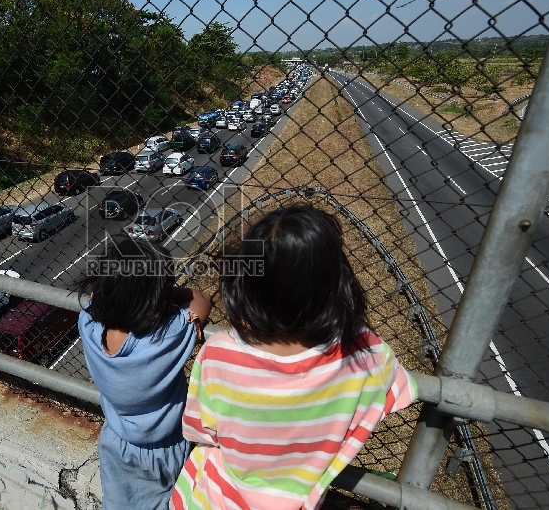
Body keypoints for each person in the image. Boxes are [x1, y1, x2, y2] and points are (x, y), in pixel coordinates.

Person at [171, 204, 417, 510]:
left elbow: (200, 430)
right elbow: (400, 391)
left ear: (246, 285)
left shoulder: (219, 353)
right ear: (335, 285)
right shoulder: (365, 353)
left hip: (211, 500)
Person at [77, 237, 212, 510]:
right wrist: (162, 292)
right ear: (156, 298)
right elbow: (201, 298)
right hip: (165, 448)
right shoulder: (166, 337)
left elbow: (96, 299)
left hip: (115, 440)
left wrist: (134, 289)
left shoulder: (88, 324)